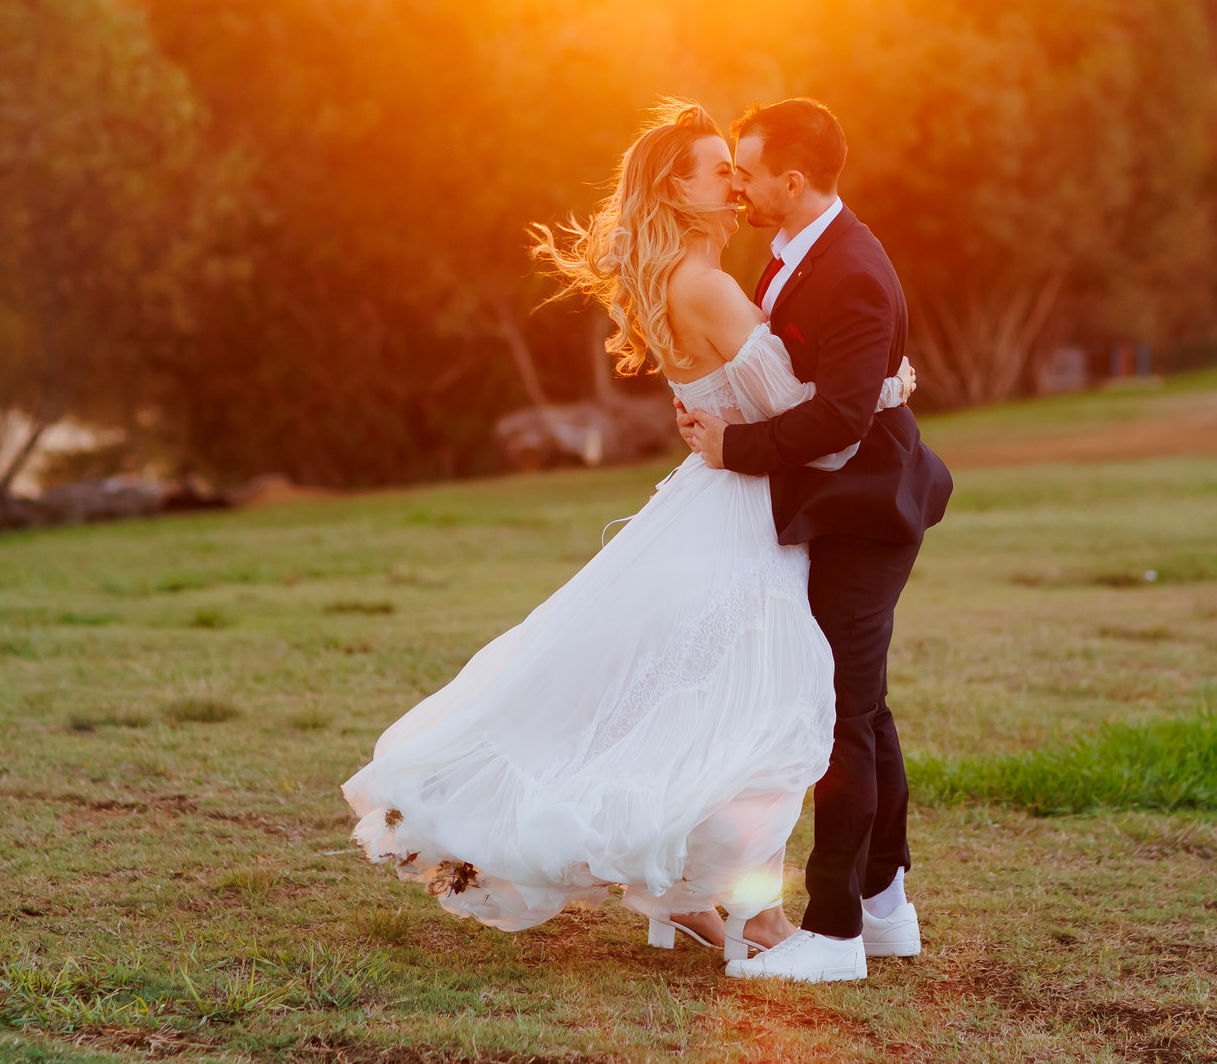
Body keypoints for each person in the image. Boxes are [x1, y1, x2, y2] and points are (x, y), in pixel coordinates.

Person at [340, 101, 919, 976]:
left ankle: (711, 902)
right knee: (750, 715)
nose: (735, 182)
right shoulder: (714, 287)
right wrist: (887, 386)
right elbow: (800, 411)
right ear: (677, 193)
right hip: (746, 511)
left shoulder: (677, 281)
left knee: (709, 704)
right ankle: (748, 909)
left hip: (716, 497)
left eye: (739, 166)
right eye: (717, 169)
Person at [680, 98, 952, 983]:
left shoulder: (855, 270)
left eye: (749, 172)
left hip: (870, 512)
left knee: (842, 713)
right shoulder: (795, 253)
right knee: (863, 709)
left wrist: (736, 447)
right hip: (837, 507)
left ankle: (834, 935)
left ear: (791, 181)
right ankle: (884, 907)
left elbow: (839, 417)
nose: (741, 186)